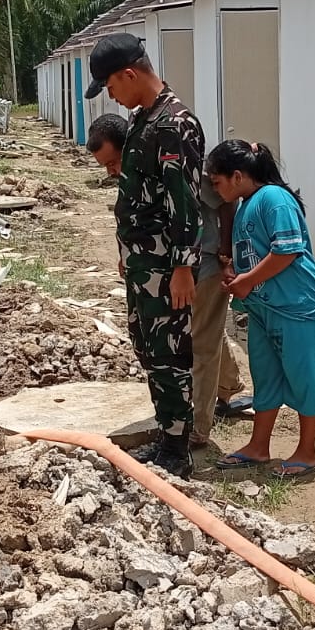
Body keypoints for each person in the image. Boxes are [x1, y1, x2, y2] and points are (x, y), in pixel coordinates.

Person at [86, 114, 253, 450]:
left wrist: (225, 254)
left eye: (113, 162)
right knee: (205, 328)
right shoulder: (136, 173)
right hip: (168, 271)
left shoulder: (178, 164)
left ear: (129, 148)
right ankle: (228, 387)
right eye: (105, 166)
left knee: (201, 344)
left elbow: (226, 203)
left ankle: (199, 427)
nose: (112, 171)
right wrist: (127, 254)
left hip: (201, 265)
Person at [86, 33, 205, 477]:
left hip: (165, 266)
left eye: (111, 86)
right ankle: (166, 435)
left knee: (170, 355)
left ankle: (177, 450)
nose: (112, 96)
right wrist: (127, 250)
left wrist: (183, 268)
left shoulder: (174, 124)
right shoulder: (143, 120)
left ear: (129, 74)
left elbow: (185, 203)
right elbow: (138, 194)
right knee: (149, 350)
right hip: (143, 263)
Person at [206, 140, 315, 478]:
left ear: (237, 176)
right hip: (265, 308)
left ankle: (307, 452)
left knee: (306, 379)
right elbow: (255, 253)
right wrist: (236, 273)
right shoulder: (247, 204)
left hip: (297, 307)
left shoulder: (274, 198)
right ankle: (258, 446)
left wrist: (246, 281)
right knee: (266, 377)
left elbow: (287, 250)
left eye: (217, 182)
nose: (215, 190)